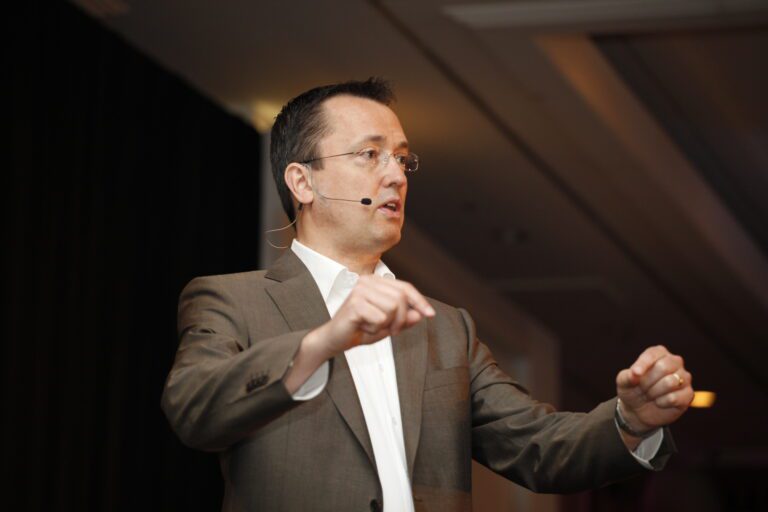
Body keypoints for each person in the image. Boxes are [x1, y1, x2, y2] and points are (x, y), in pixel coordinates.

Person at [161, 78, 693, 512]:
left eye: (402, 159)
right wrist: (320, 344)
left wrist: (632, 422)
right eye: (370, 154)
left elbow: (540, 448)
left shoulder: (444, 326)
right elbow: (193, 409)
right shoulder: (232, 300)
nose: (395, 175)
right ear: (303, 183)